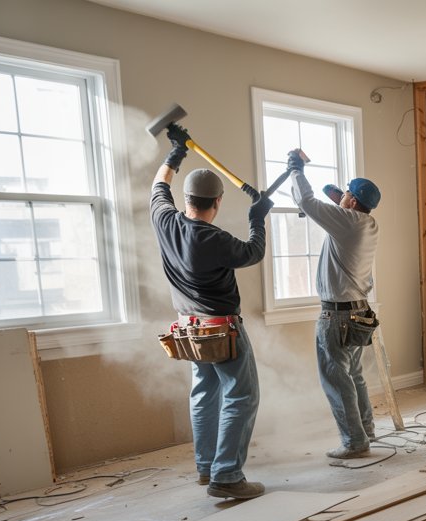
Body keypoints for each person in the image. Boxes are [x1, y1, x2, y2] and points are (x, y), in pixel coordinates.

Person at [151, 127, 273, 500]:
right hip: (222, 331)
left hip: (188, 329)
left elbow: (159, 186)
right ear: (217, 202)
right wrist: (258, 217)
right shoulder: (214, 239)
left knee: (204, 393)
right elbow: (253, 252)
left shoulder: (165, 221)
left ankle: (206, 468)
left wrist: (175, 153)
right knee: (241, 396)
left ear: (187, 198)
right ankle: (227, 476)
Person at [286, 149, 382, 460]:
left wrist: (296, 168)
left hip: (337, 316)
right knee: (353, 375)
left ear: (353, 202)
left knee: (336, 379)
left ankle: (354, 442)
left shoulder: (347, 221)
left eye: (347, 195)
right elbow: (341, 207)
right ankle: (366, 430)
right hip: (358, 312)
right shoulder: (367, 223)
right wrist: (341, 197)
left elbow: (306, 202)